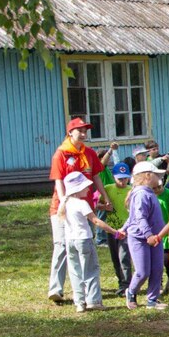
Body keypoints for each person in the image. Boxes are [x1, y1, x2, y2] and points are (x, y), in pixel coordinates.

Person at [47, 117, 111, 304]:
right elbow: (59, 180)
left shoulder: (89, 153)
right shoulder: (61, 154)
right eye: (80, 131)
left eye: (85, 131)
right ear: (70, 133)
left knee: (83, 246)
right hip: (63, 207)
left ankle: (83, 290)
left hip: (85, 207)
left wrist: (104, 196)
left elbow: (96, 176)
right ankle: (55, 289)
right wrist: (63, 202)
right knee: (61, 245)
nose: (83, 134)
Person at [59, 172, 125, 312]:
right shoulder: (82, 203)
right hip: (84, 240)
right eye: (85, 187)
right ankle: (94, 301)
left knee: (75, 271)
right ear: (78, 189)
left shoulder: (65, 203)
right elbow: (96, 221)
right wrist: (114, 232)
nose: (89, 189)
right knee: (91, 270)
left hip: (70, 241)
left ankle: (79, 303)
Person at [122, 162, 168, 310]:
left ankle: (152, 300)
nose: (159, 178)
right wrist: (148, 234)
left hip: (155, 238)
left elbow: (132, 216)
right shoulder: (141, 194)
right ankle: (131, 292)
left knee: (157, 269)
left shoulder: (149, 192)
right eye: (157, 175)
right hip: (140, 238)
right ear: (147, 176)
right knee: (143, 272)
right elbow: (139, 217)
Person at [104, 163, 133, 297]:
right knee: (115, 257)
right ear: (114, 177)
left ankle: (126, 285)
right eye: (119, 178)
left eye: (125, 178)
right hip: (112, 229)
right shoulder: (107, 189)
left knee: (124, 257)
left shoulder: (131, 190)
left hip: (126, 230)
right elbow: (96, 204)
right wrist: (104, 207)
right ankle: (121, 281)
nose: (122, 181)